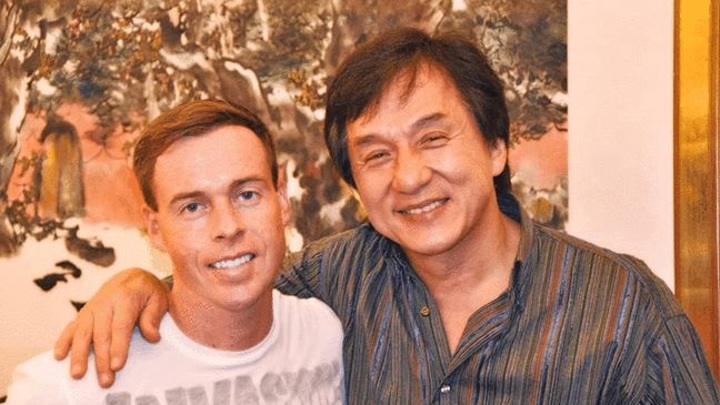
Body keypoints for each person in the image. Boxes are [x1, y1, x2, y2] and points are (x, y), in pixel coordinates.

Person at [54, 28, 719, 403]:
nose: (410, 177)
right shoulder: (331, 280)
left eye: (434, 138)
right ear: (356, 185)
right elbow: (229, 285)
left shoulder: (623, 308)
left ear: (496, 146)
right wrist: (141, 284)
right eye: (376, 154)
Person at [6, 99, 344, 404]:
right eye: (193, 207)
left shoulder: (325, 333)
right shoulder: (63, 389)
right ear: (155, 229)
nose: (228, 227)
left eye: (246, 195)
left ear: (281, 200)